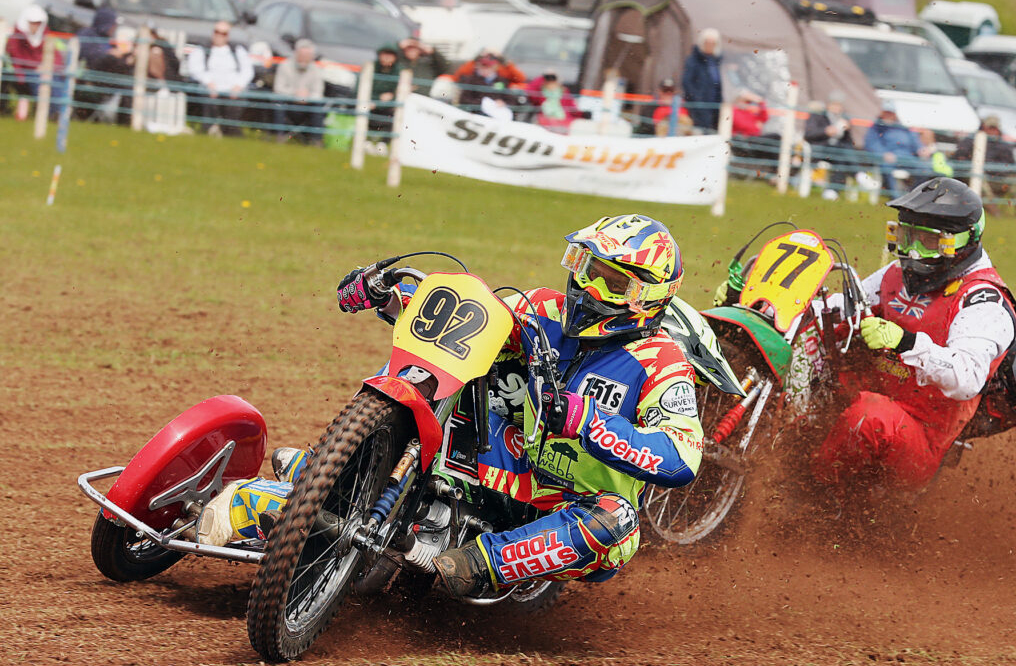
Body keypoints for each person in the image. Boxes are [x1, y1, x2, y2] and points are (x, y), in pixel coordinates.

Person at [195, 215, 704, 600]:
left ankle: (474, 564)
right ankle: (334, 479)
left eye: (610, 282)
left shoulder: (660, 362)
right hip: (495, 464)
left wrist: (584, 419)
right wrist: (393, 295)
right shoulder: (544, 307)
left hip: (565, 503)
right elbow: (475, 322)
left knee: (619, 522)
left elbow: (680, 459)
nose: (586, 287)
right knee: (464, 375)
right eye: (585, 268)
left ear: (647, 297)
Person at [813, 177, 1016, 493]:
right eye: (906, 236)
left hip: (919, 439)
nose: (912, 252)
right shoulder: (894, 274)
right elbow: (844, 307)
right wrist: (767, 305)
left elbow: (967, 377)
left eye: (928, 241)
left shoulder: (984, 300)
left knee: (870, 415)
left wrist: (905, 342)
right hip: (862, 401)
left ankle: (813, 496)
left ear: (964, 241)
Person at [186, 21, 254, 136]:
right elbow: (195, 69)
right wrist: (208, 82)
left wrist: (239, 86)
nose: (219, 36)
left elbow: (248, 70)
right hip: (211, 89)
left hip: (233, 91)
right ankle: (208, 130)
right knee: (209, 102)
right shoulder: (202, 49)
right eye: (217, 32)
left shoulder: (237, 50)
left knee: (234, 107)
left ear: (228, 36)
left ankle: (230, 132)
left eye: (223, 33)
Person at [952, 115, 1016, 213]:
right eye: (989, 128)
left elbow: (1012, 166)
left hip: (999, 178)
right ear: (983, 127)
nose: (992, 132)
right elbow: (959, 159)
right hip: (978, 178)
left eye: (994, 128)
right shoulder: (969, 141)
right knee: (978, 178)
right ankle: (995, 214)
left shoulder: (1005, 146)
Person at [3, 5, 59, 121]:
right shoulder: (17, 37)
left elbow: (56, 55)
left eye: (38, 23)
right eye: (32, 23)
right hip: (26, 74)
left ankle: (58, 112)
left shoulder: (45, 36)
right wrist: (32, 70)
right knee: (40, 82)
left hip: (45, 71)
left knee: (57, 82)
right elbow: (16, 59)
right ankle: (50, 113)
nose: (36, 26)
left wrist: (49, 67)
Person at [863, 102, 927, 198]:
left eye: (890, 113)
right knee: (886, 169)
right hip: (889, 159)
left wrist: (920, 149)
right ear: (882, 113)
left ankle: (911, 196)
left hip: (907, 158)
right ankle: (895, 198)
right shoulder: (876, 127)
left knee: (925, 169)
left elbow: (914, 141)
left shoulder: (903, 127)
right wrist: (883, 154)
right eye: (886, 113)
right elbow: (871, 144)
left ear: (894, 114)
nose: (888, 115)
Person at [803, 89, 857, 199]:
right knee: (842, 155)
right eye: (834, 104)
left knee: (841, 160)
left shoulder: (844, 119)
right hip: (820, 150)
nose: (836, 108)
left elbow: (849, 143)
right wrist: (825, 131)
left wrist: (847, 131)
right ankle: (858, 174)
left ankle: (832, 190)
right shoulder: (818, 116)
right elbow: (808, 134)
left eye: (839, 105)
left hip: (837, 153)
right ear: (828, 104)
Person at [271, 39, 325, 144]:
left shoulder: (317, 70)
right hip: (288, 102)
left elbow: (319, 92)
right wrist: (295, 94)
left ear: (312, 57)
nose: (304, 59)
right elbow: (278, 88)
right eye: (301, 55)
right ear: (296, 54)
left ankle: (316, 141)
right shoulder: (284, 65)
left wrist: (306, 96)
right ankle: (279, 137)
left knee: (318, 107)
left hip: (308, 104)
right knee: (277, 103)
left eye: (307, 56)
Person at [682, 27, 722, 132]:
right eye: (707, 42)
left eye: (713, 43)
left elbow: (718, 85)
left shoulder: (716, 61)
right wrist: (697, 100)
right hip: (698, 106)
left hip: (714, 107)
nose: (710, 45)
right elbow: (687, 82)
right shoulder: (693, 60)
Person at [456, 50, 518, 115]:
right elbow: (463, 100)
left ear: (495, 67)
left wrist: (503, 103)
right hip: (475, 114)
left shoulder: (502, 81)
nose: (485, 69)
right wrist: (482, 103)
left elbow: (511, 100)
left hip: (496, 116)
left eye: (488, 66)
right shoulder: (469, 79)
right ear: (478, 65)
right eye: (483, 65)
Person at [369, 43, 401, 135]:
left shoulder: (400, 71)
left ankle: (383, 141)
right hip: (371, 102)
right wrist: (378, 98)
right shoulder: (371, 67)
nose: (387, 57)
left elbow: (399, 94)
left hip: (388, 106)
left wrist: (390, 98)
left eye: (390, 54)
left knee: (394, 112)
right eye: (384, 54)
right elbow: (359, 90)